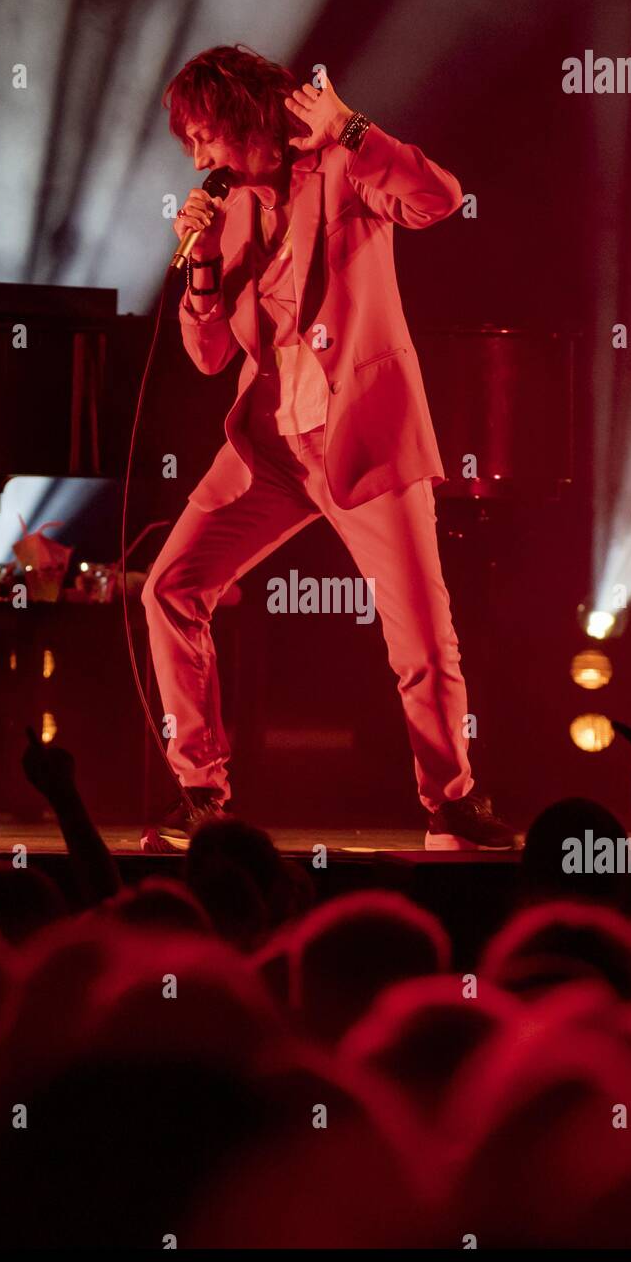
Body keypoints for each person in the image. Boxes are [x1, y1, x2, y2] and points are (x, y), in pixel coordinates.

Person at [141, 44, 515, 854]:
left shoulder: (341, 166)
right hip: (271, 449)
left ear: (244, 115)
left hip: (363, 436)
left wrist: (353, 129)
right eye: (192, 148)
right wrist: (201, 262)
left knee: (420, 630)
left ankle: (449, 801)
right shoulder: (231, 208)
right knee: (169, 588)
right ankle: (201, 792)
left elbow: (439, 199)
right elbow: (208, 357)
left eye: (205, 136)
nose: (199, 158)